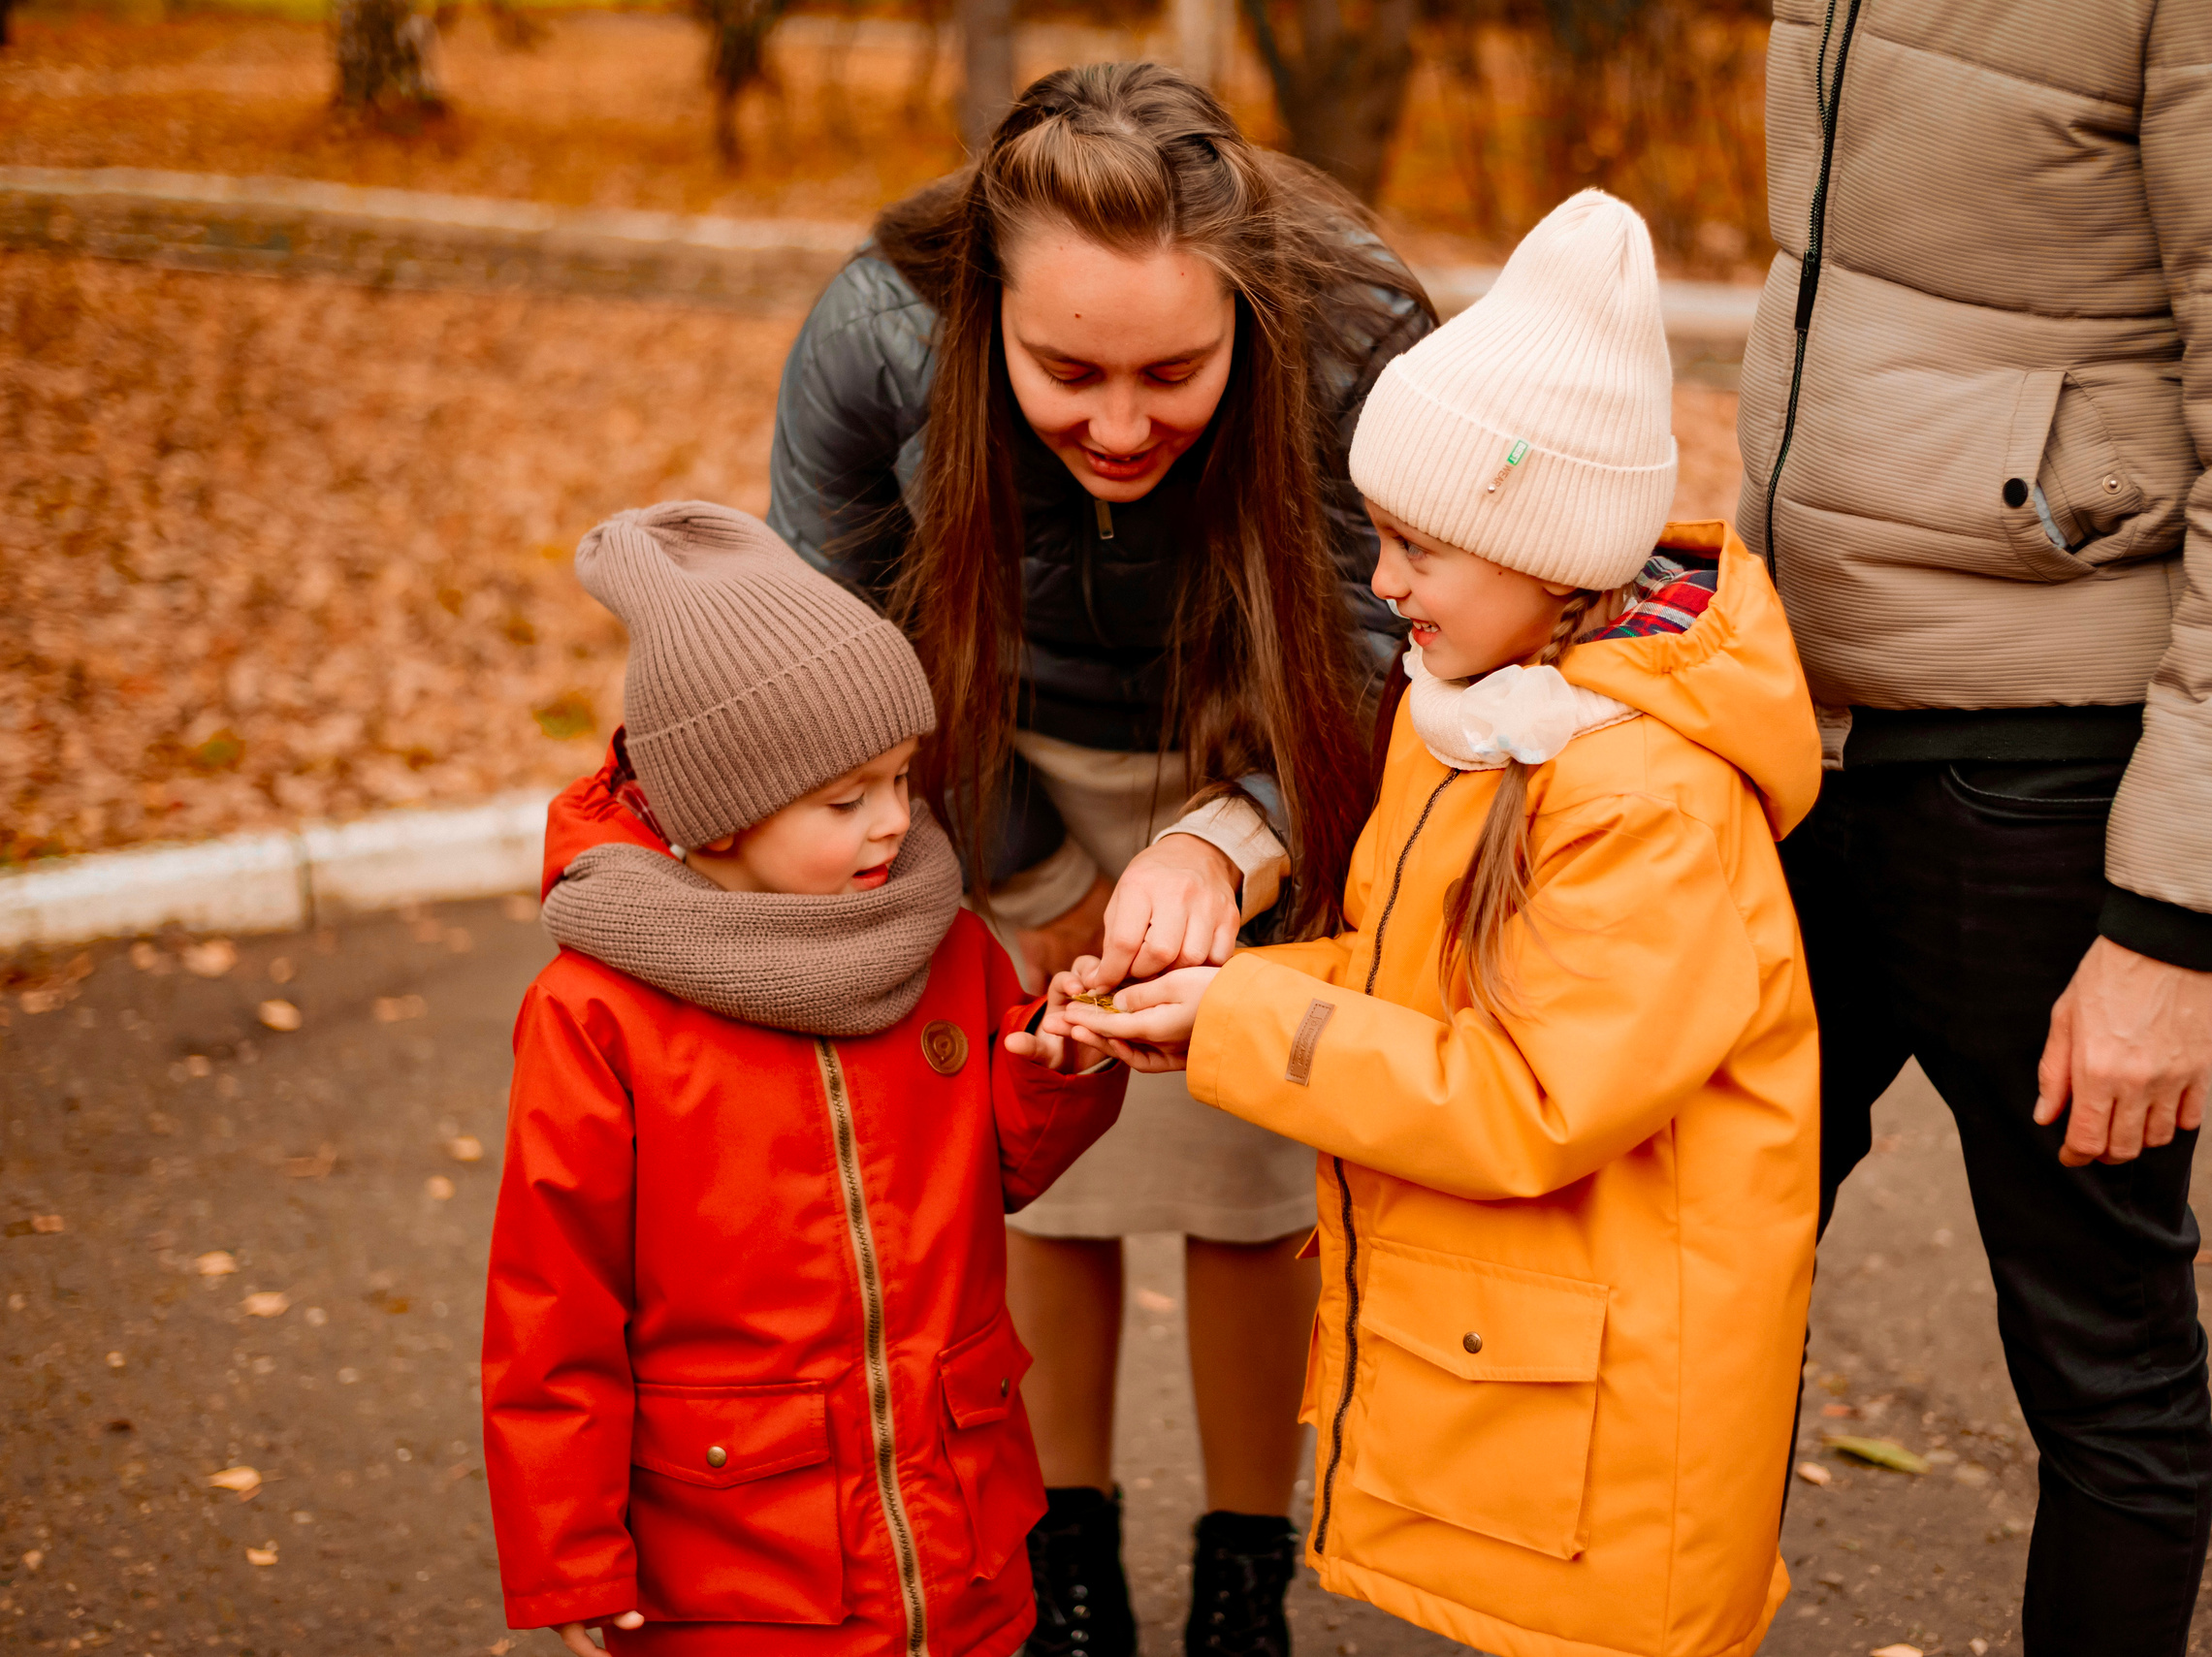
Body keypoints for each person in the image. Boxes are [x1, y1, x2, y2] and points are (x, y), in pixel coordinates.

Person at [1735, 4, 2212, 1652]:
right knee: (1686, 1267)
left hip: (2046, 788)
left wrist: (2173, 925)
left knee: (2098, 1358)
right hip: (1795, 730)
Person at [1063, 193, 1823, 1657]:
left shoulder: (1639, 796)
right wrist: (1216, 996)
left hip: (1621, 1397)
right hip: (1539, 1368)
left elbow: (1527, 1095)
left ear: (1551, 554)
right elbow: (1424, 986)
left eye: (1419, 546)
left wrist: (1245, 1020)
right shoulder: (1481, 714)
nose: (1382, 580)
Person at [764, 61, 1434, 1657]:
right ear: (982, 304)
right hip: (976, 755)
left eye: (1175, 372)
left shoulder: (1357, 339)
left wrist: (1235, 833)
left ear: (1248, 315)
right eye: (1067, 369)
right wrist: (1023, 863)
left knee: (1247, 1175)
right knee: (1036, 1173)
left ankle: (1243, 1564)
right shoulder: (874, 336)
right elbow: (836, 645)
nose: (1119, 425)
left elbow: (1377, 642)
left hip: (1273, 751)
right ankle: (1064, 1550)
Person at [481, 502, 1128, 1656]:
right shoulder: (596, 1015)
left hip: (959, 1526)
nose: (897, 821)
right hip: (740, 1568)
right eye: (845, 799)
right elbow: (552, 1307)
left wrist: (1054, 1070)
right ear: (718, 818)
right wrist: (568, 1552)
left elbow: (1004, 1171)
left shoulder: (944, 945)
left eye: (900, 776)